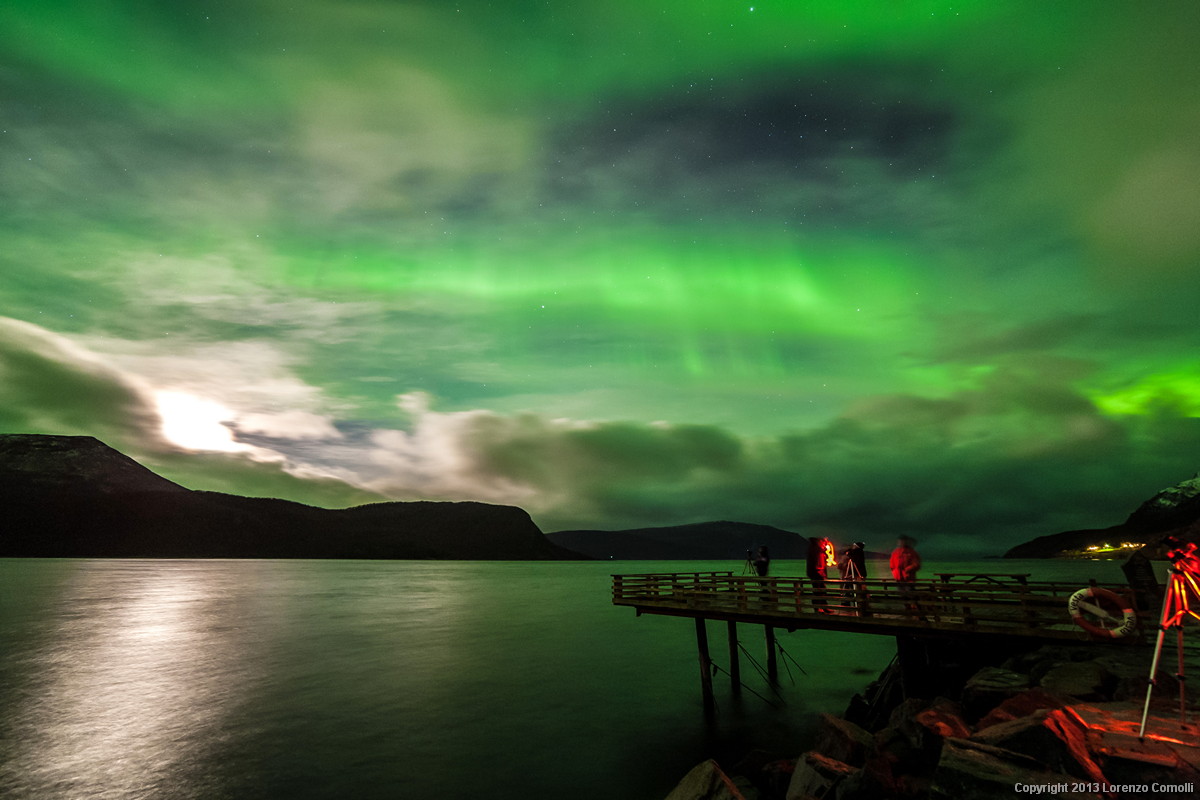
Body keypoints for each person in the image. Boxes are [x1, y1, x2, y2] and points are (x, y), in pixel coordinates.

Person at [890, 535, 922, 616]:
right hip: (899, 578)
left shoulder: (911, 552)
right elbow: (892, 565)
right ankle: (908, 611)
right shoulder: (896, 552)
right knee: (903, 596)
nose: (901, 542)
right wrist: (895, 573)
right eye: (900, 541)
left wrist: (908, 569)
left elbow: (916, 564)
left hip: (909, 578)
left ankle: (916, 612)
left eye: (902, 541)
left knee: (911, 595)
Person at [806, 536, 833, 611]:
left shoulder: (817, 549)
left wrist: (824, 574)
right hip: (815, 573)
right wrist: (825, 543)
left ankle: (824, 607)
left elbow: (823, 551)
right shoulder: (814, 549)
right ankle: (817, 608)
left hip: (819, 573)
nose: (822, 543)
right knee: (817, 591)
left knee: (822, 591)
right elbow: (820, 550)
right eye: (821, 542)